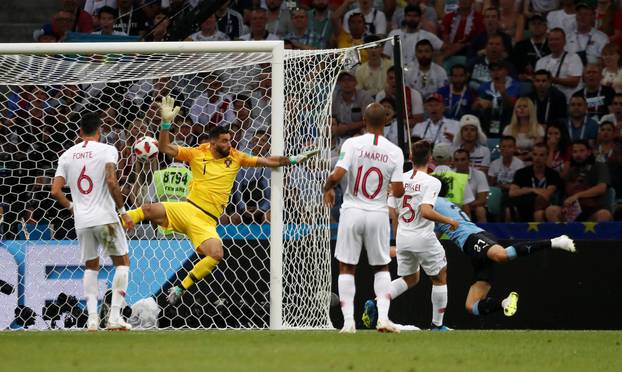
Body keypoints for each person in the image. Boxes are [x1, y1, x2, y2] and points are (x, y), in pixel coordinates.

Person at [123, 96, 319, 305]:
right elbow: (165, 148)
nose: (229, 144)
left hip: (207, 221)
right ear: (213, 142)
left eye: (230, 140)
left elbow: (268, 161)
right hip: (187, 208)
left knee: (216, 254)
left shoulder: (236, 157)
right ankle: (117, 225)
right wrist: (165, 123)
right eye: (225, 140)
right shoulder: (197, 153)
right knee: (148, 209)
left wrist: (293, 159)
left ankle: (180, 288)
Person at [364, 183, 576, 328]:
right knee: (472, 306)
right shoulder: (441, 204)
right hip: (472, 250)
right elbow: (430, 238)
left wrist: (393, 248)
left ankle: (555, 241)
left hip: (474, 238)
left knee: (501, 255)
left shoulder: (431, 206)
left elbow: (422, 228)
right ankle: (503, 303)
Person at [323, 102, 405, 333]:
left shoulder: (352, 143)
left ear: (365, 121)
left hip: (352, 211)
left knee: (347, 267)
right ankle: (383, 319)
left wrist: (327, 188)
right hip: (378, 213)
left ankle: (349, 322)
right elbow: (398, 191)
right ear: (386, 122)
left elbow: (337, 174)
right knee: (381, 267)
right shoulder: (395, 151)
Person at [50, 112, 132, 331]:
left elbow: (55, 191)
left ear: (80, 132)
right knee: (122, 263)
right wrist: (123, 211)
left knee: (91, 266)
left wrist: (71, 207)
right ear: (100, 131)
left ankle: (93, 318)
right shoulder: (107, 150)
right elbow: (111, 181)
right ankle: (114, 317)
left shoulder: (67, 155)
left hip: (82, 221)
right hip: (105, 219)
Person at [379, 140, 459, 331]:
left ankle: (377, 303)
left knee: (410, 278)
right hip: (423, 236)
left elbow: (392, 211)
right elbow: (426, 211)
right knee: (440, 277)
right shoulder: (432, 182)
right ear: (430, 159)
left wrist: (398, 237)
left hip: (403, 237)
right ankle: (437, 325)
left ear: (410, 158)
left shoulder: (399, 180)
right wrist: (449, 220)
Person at [509, 143, 564, 222]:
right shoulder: (521, 173)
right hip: (524, 207)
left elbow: (546, 194)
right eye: (535, 154)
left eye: (541, 155)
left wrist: (523, 190)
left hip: (545, 208)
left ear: (547, 156)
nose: (537, 158)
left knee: (542, 212)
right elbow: (512, 192)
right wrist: (532, 190)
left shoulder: (553, 174)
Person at [502, 97, 545, 162]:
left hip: (532, 162)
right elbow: (505, 149)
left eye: (525, 106)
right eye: (519, 107)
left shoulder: (538, 129)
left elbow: (538, 150)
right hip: (512, 161)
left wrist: (522, 158)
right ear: (515, 110)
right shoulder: (508, 129)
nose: (521, 109)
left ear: (531, 109)